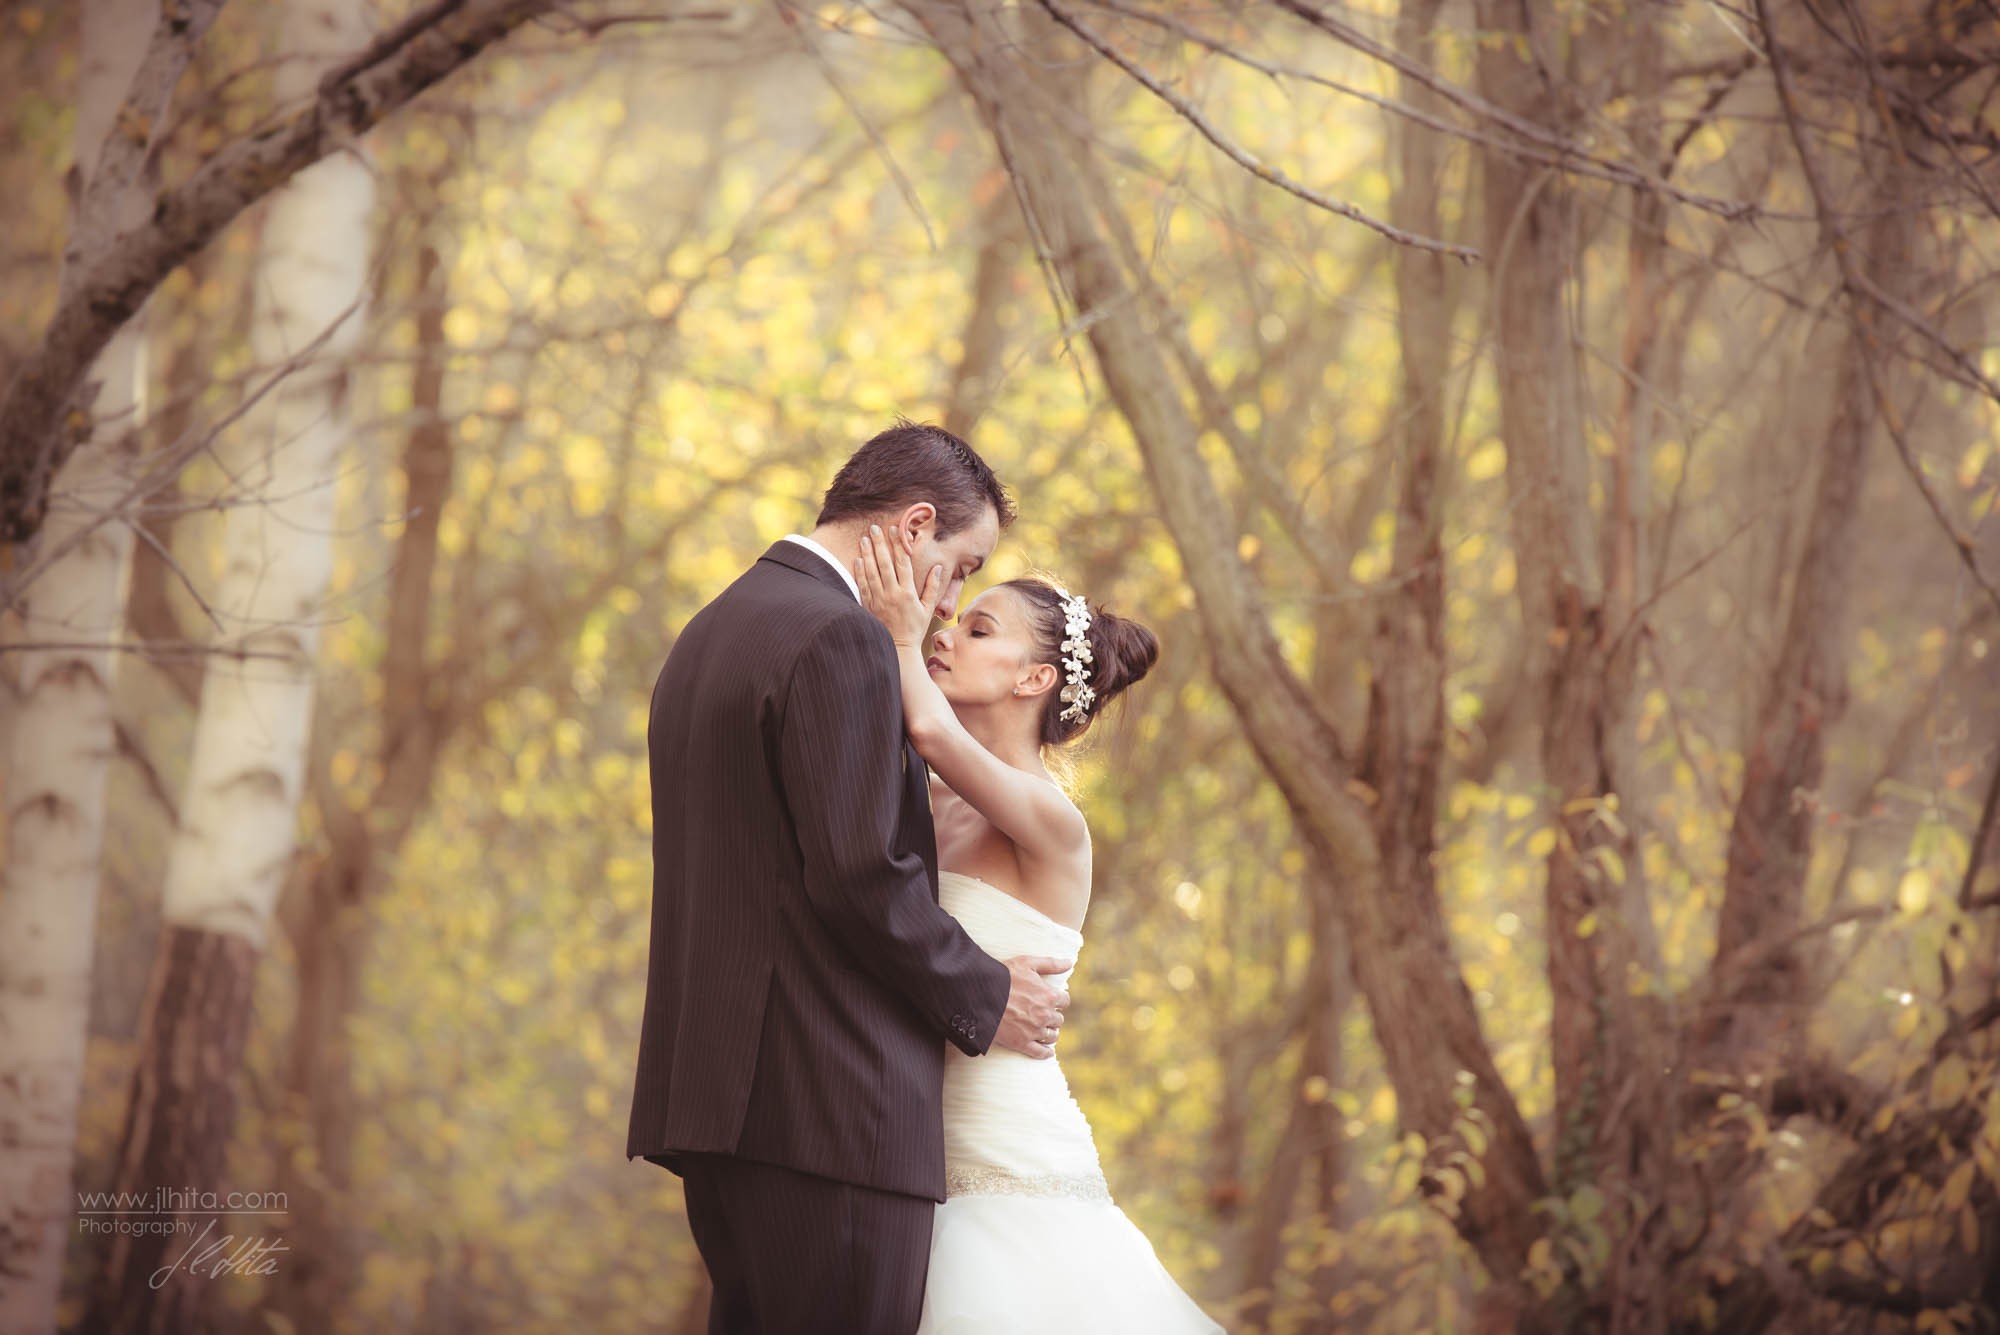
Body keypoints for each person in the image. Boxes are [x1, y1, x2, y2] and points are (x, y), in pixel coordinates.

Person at [626, 421, 1073, 1335]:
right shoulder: (842, 640)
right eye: (960, 566)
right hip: (831, 1117)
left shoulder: (710, 631)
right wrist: (988, 993)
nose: (949, 603)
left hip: (718, 1109)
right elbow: (859, 873)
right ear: (914, 526)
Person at [853, 527, 1224, 1334]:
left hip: (1010, 1172)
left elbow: (930, 732)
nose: (948, 632)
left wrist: (898, 633)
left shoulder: (1053, 821)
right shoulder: (926, 799)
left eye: (979, 630)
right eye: (957, 623)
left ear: (1035, 678)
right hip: (909, 1159)